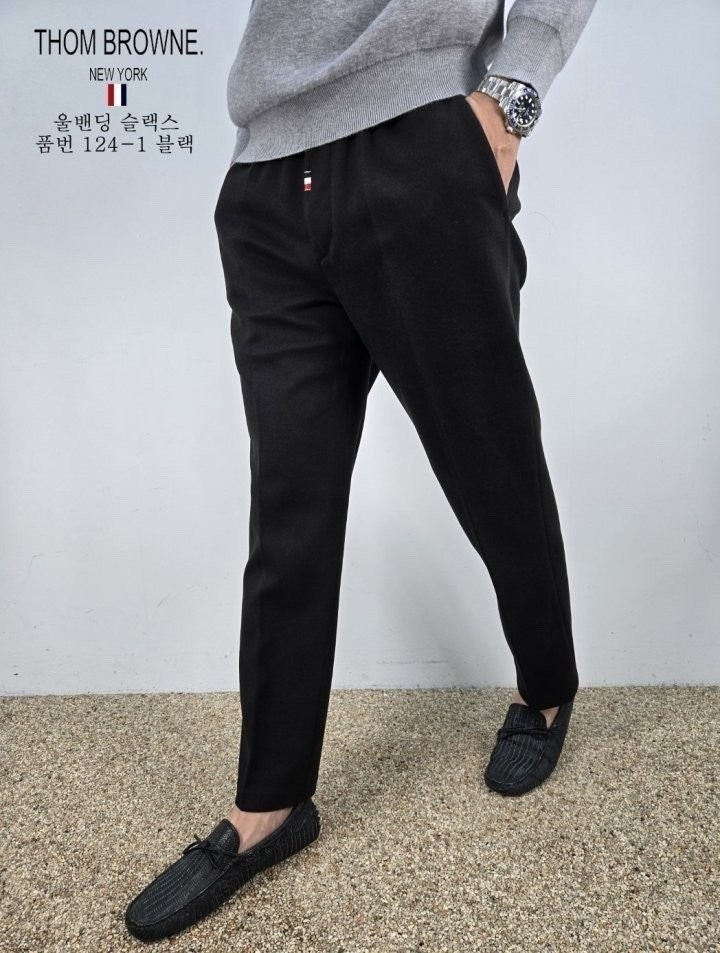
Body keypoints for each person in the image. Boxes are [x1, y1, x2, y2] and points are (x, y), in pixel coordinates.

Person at [125, 0, 598, 941]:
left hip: (422, 143)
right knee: (289, 510)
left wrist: (509, 101)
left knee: (490, 462)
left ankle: (547, 685)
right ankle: (269, 804)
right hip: (266, 174)